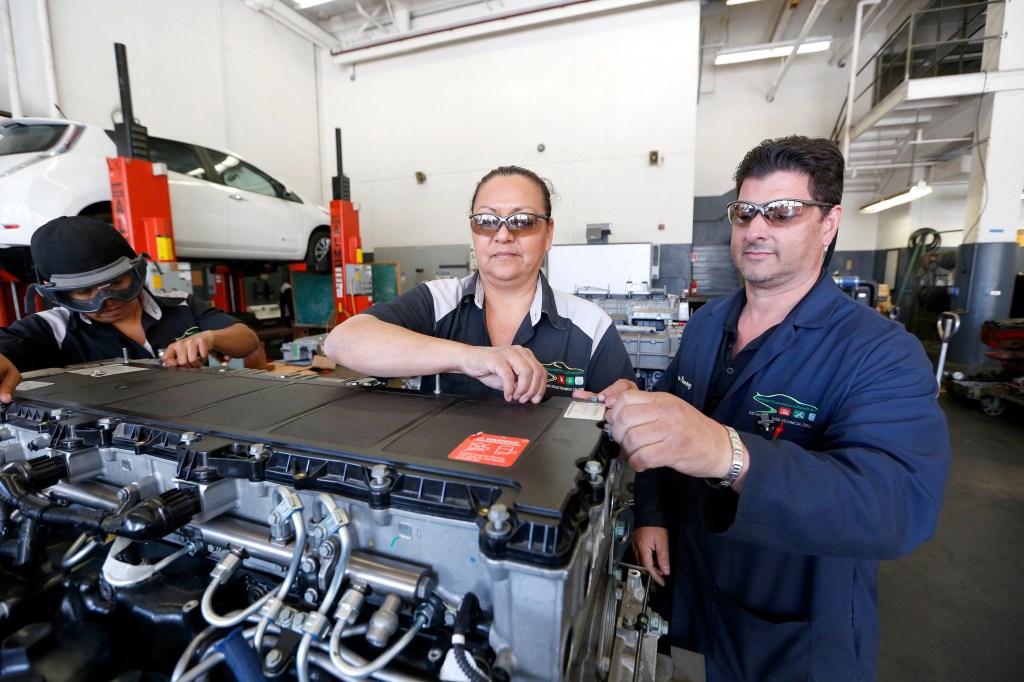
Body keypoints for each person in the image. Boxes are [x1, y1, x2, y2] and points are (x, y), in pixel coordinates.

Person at [577, 136, 950, 680]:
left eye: (782, 212)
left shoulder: (879, 351)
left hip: (789, 630)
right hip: (689, 583)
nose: (756, 228)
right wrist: (652, 515)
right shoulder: (706, 324)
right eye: (745, 212)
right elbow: (668, 429)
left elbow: (896, 506)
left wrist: (728, 453)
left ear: (828, 223)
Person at [324, 165, 635, 402]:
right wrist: (467, 357)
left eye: (523, 221)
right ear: (473, 232)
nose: (502, 235)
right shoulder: (437, 302)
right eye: (486, 221)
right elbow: (341, 342)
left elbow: (624, 439)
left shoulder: (590, 327)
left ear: (549, 234)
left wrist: (624, 415)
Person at [0, 216, 260, 402]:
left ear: (136, 271)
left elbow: (247, 341)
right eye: (84, 292)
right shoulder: (50, 330)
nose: (107, 300)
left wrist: (211, 336)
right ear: (56, 292)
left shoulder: (180, 304)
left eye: (116, 283)